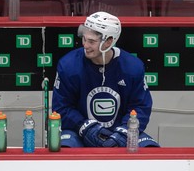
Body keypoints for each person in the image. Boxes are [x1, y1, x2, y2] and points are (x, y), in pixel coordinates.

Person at [52, 11, 160, 148]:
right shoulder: (68, 65)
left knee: (150, 148)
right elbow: (61, 107)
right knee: (64, 147)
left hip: (120, 132)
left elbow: (140, 106)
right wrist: (84, 126)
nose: (85, 45)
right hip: (78, 132)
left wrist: (124, 132)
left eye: (92, 41)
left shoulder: (132, 66)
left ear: (109, 41)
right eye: (84, 39)